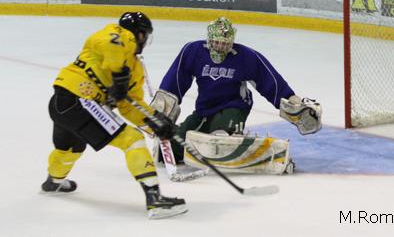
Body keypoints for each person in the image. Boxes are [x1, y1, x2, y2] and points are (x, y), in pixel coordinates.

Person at [41, 12, 186, 220]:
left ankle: (53, 181)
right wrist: (118, 76)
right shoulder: (119, 34)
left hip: (62, 104)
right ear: (141, 35)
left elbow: (129, 106)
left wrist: (155, 120)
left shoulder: (135, 68)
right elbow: (110, 43)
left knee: (71, 148)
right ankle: (156, 200)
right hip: (82, 99)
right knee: (133, 140)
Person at [157, 17, 322, 169]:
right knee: (167, 151)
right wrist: (163, 110)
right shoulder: (193, 51)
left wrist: (295, 102)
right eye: (217, 42)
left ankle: (234, 137)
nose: (221, 47)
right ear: (209, 39)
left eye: (225, 44)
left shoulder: (245, 56)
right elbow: (175, 80)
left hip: (234, 107)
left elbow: (272, 83)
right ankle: (210, 140)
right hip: (203, 111)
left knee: (220, 139)